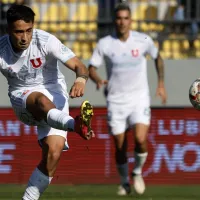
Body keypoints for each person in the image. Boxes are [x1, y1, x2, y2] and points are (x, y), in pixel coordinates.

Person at [1, 4, 94, 200]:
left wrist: (80, 79)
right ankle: (75, 125)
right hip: (23, 95)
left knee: (53, 153)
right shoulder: (1, 49)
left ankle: (29, 198)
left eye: (28, 30)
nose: (24, 37)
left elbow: (78, 64)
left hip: (55, 91)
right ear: (9, 29)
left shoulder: (45, 40)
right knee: (41, 100)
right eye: (19, 32)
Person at [89, 2, 167, 196]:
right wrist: (98, 79)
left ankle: (137, 172)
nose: (122, 22)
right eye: (119, 18)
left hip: (139, 98)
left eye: (126, 18)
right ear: (115, 21)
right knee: (120, 146)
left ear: (131, 21)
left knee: (141, 139)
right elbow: (91, 67)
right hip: (115, 100)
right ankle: (124, 181)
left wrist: (161, 84)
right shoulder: (105, 43)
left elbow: (158, 57)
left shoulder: (143, 40)